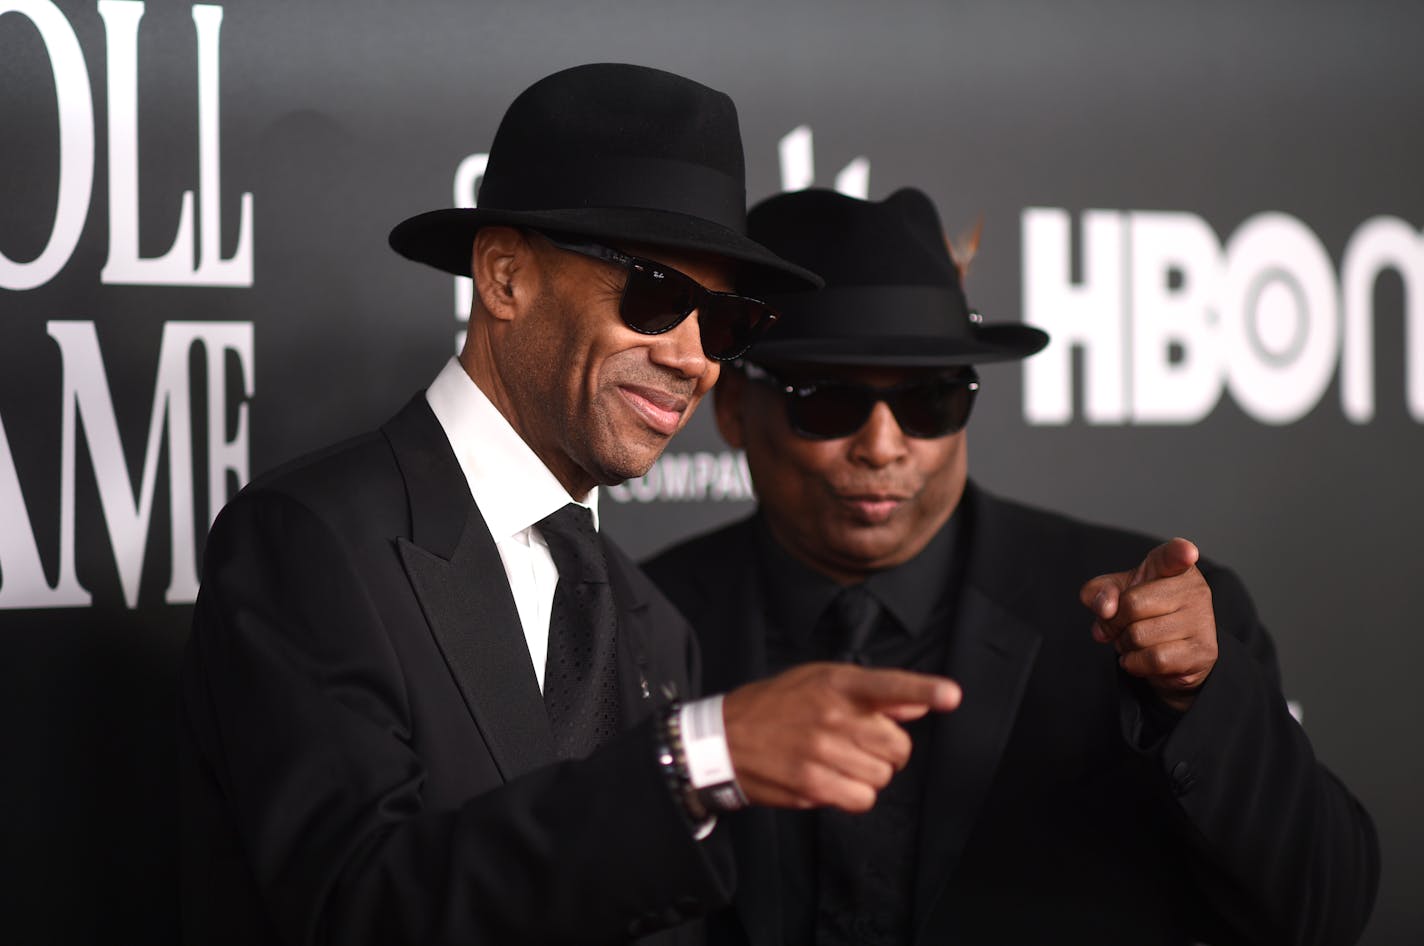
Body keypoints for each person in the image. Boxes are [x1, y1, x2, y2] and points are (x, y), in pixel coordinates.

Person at [177, 68, 962, 946]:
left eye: (725, 323)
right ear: (505, 275)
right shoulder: (311, 542)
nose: (694, 359)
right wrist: (694, 759)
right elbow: (358, 906)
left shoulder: (657, 628)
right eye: (658, 297)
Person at [645, 187, 1380, 946]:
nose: (885, 445)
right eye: (828, 402)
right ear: (733, 409)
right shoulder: (641, 620)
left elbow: (1323, 911)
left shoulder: (1145, 620)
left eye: (930, 401)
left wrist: (1200, 699)